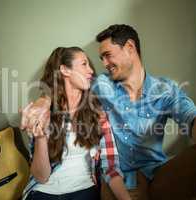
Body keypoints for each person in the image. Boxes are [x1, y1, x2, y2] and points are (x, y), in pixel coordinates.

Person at [21, 25, 196, 200]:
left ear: (130, 48)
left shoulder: (165, 89)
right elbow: (64, 86)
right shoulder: (100, 84)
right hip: (116, 179)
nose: (102, 64)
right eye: (100, 58)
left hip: (157, 174)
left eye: (107, 55)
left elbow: (195, 118)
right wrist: (44, 101)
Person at [21, 47, 131, 200]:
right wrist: (40, 138)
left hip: (83, 190)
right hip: (43, 191)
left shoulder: (98, 113)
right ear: (65, 70)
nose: (91, 70)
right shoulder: (42, 113)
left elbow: (111, 166)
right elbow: (41, 177)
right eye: (84, 64)